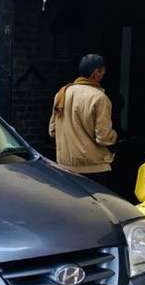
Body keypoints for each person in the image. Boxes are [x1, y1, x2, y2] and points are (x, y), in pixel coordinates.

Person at [49, 54, 117, 186]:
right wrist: (115, 136)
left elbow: (52, 130)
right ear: (96, 73)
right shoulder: (99, 98)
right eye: (103, 72)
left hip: (64, 165)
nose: (103, 75)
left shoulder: (62, 93)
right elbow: (103, 137)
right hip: (93, 167)